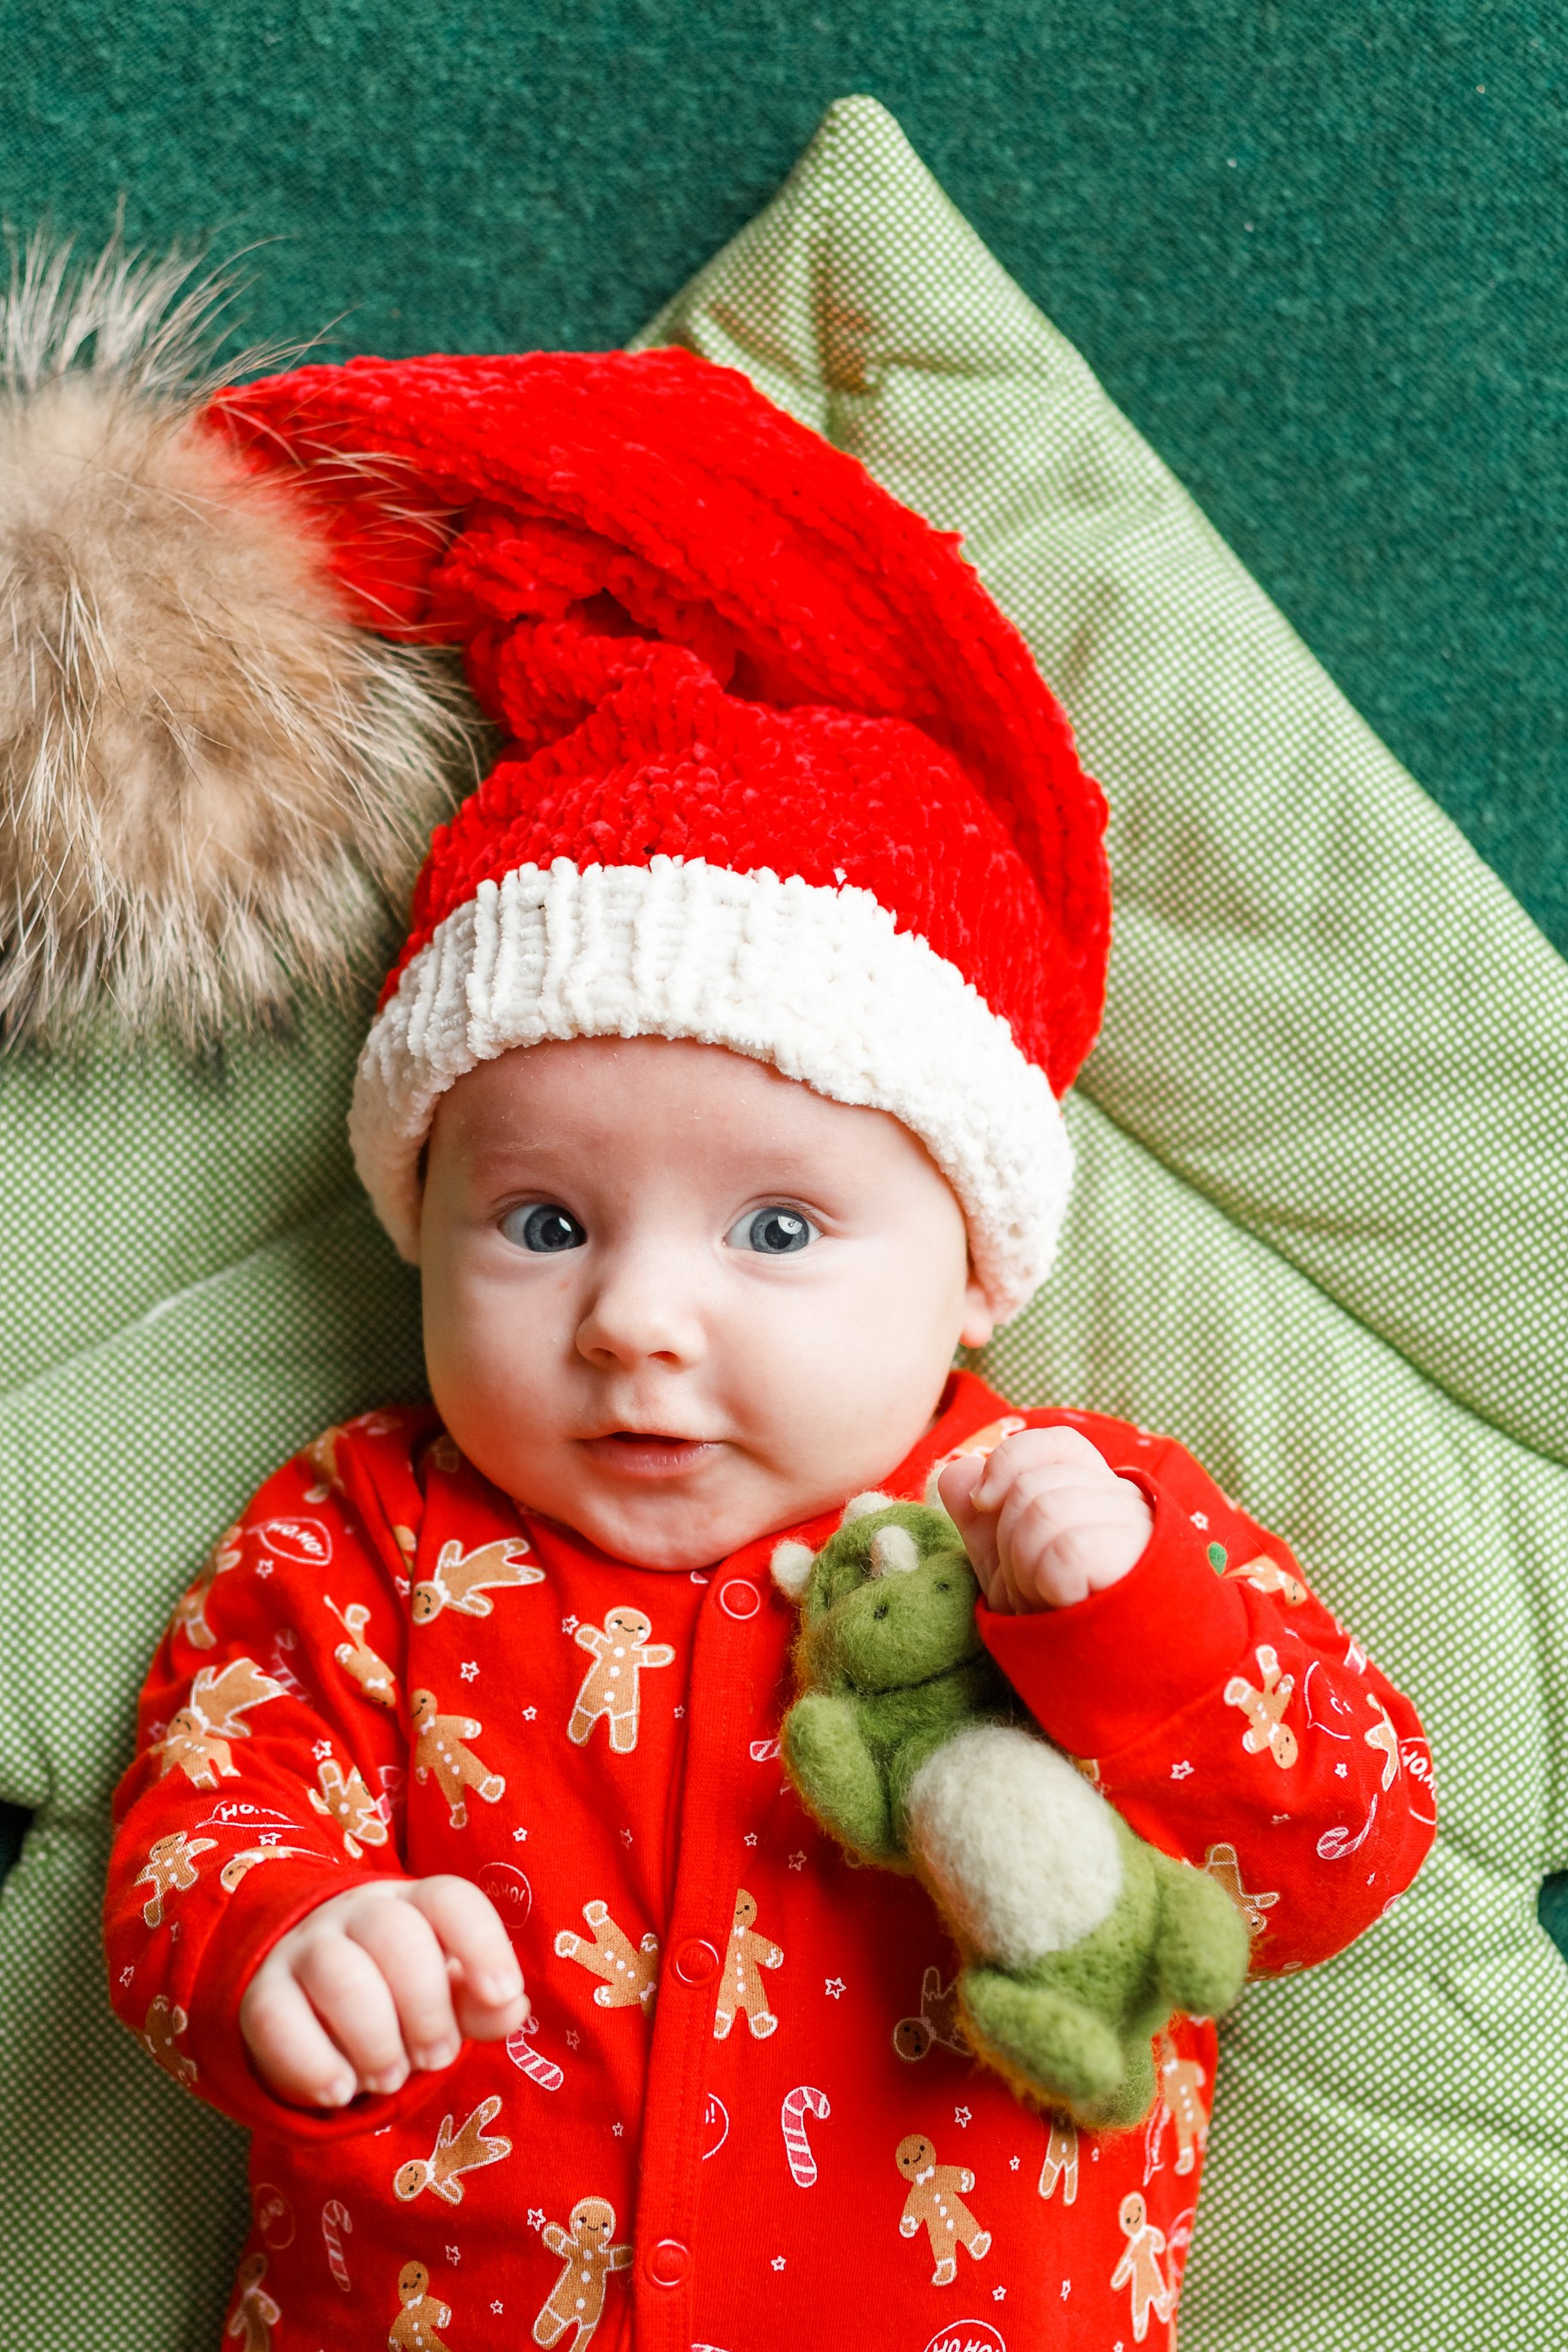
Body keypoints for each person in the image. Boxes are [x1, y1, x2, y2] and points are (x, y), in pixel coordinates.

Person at [105, 347, 1433, 2351]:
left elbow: (1340, 1845)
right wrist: (281, 1942)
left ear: (975, 1267)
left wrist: (1131, 1623)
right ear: (421, 1224)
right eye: (543, 1225)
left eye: (780, 1231)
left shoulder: (1059, 1528)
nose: (639, 1320)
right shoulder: (362, 1543)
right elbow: (204, 1819)